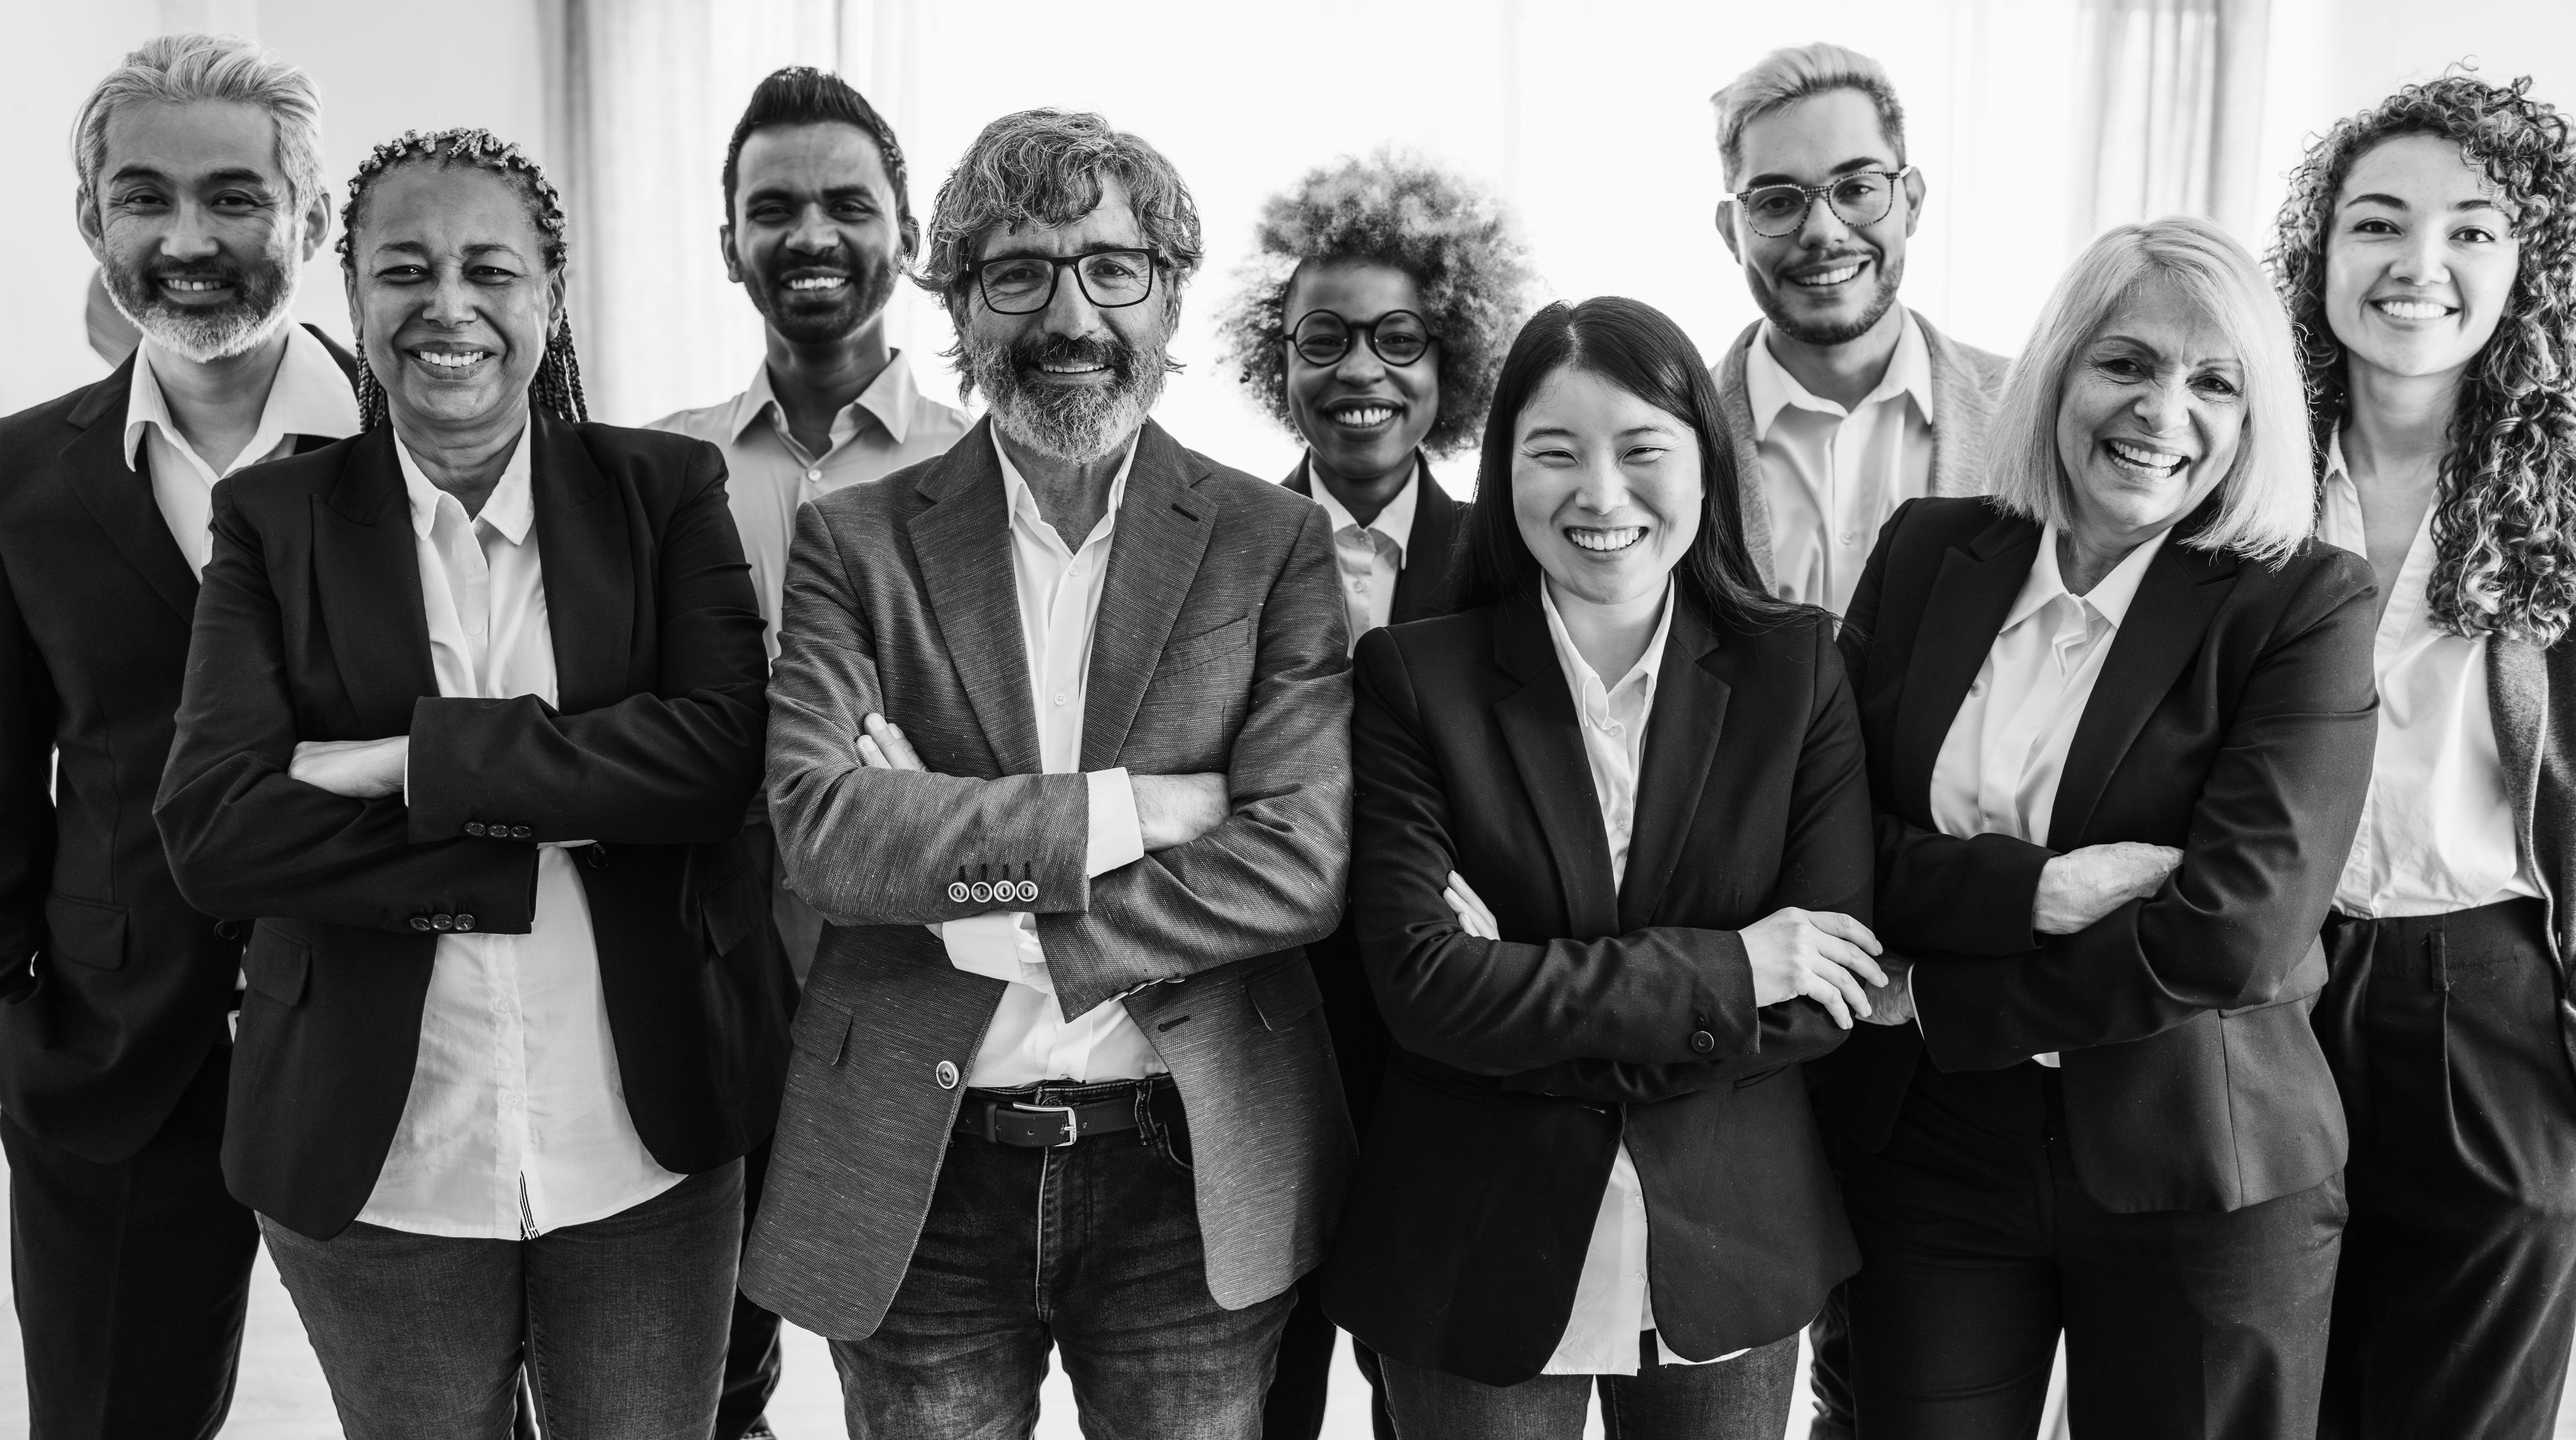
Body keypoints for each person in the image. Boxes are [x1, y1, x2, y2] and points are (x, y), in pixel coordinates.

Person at [151, 127, 791, 1439]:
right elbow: (215, 832)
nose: (448, 306)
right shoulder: (273, 521)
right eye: (405, 269)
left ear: (548, 297)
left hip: (643, 1142)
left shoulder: (663, 491)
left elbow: (721, 761)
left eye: (489, 269)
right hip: (381, 1153)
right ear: (354, 298)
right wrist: (548, 826)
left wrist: (414, 760)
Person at [741, 108, 1354, 1439]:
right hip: (918, 1167)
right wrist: (1146, 810)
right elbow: (827, 835)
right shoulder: (852, 543)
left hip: (1183, 1161)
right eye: (1017, 272)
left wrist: (1000, 913)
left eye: (1109, 266)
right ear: (958, 303)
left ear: (1167, 289)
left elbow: (1299, 862)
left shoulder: (1270, 542)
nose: (1068, 312)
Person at [1829, 216, 2375, 1438]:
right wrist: (2037, 891)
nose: (2162, 409)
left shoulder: (2303, 601)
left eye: (2214, 381)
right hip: (1932, 1156)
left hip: (2202, 1158)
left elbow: (2234, 932)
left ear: (2251, 419)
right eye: (2125, 362)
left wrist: (1942, 998)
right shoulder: (1928, 552)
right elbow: (1822, 842)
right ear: (2060, 371)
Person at [1319, 295, 1883, 1439]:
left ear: (1704, 463)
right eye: (1554, 452)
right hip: (1473, 1239)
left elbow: (1827, 995)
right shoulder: (1413, 680)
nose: (1602, 494)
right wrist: (1734, 964)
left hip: (1730, 1235)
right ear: (1502, 470)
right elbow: (1424, 989)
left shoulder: (1797, 668)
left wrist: (1524, 992)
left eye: (1642, 450)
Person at [0, 34, 358, 1439]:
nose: (187, 237)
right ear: (93, 221)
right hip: (110, 1057)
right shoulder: (18, 479)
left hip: (402, 1041)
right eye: (144, 198)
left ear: (312, 220)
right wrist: (21, 993)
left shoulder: (433, 444)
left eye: (235, 196)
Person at [648, 66, 969, 1440]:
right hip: (699, 990)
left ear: (906, 234)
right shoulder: (654, 471)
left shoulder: (985, 466)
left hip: (909, 1005)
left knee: (914, 1386)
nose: (811, 235)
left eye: (848, 203)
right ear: (727, 242)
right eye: (771, 208)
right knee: (702, 1385)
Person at [2271, 73, 2576, 1440]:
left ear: (2528, 266)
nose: (2416, 265)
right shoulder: (2242, 474)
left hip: (2492, 999)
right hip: (2267, 989)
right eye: (2375, 224)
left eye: (2470, 230)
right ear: (2318, 255)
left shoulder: (2556, 497)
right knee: (2260, 1393)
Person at [1213, 149, 1532, 1440]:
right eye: (1322, 337)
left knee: (1425, 1397)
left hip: (1444, 1057)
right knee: (1261, 1397)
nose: (1358, 371)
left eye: (1397, 338)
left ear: (1447, 358)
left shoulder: (1510, 559)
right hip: (1264, 1038)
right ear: (1273, 358)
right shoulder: (1216, 551)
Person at [1709, 42, 2009, 615]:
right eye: (1776, 201)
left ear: (1912, 202)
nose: (1823, 231)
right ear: (1732, 231)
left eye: (1856, 189)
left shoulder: (2035, 413)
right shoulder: (1671, 437)